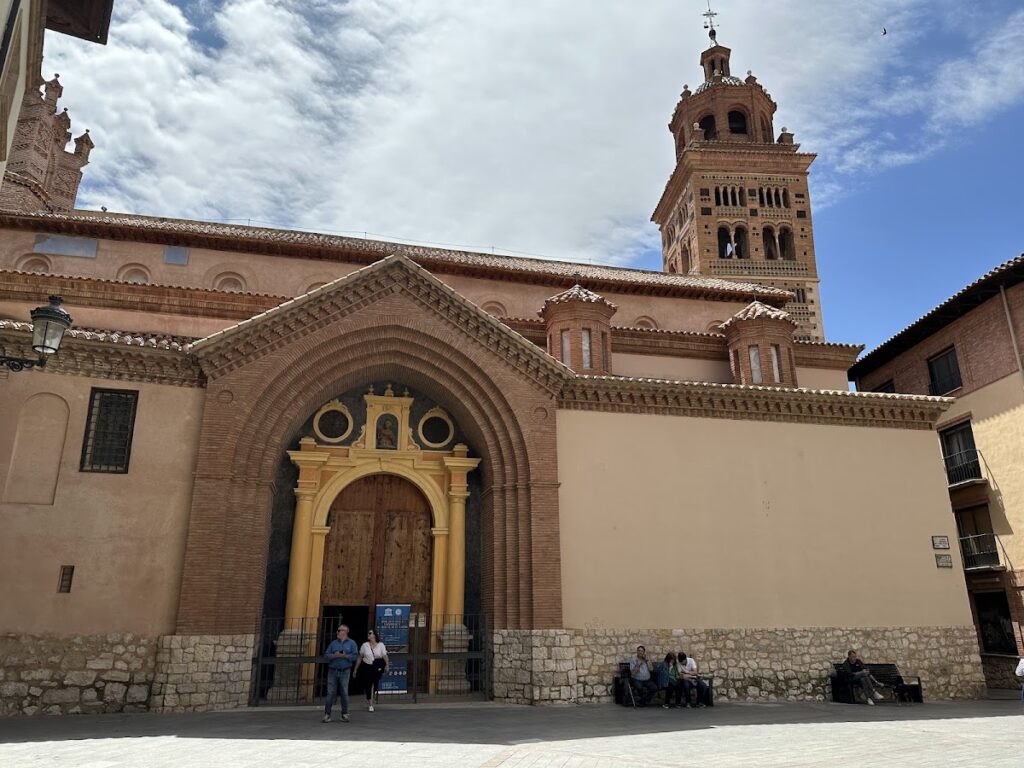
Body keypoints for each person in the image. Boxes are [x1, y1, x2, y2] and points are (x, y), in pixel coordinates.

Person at [322, 624, 358, 722]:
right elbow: (326, 655)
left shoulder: (352, 643)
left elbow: (355, 656)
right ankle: (327, 714)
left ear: (345, 632)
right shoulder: (333, 643)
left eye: (339, 630)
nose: (337, 632)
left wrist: (345, 656)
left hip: (345, 671)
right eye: (338, 630)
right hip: (332, 671)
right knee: (330, 693)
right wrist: (334, 655)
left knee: (344, 693)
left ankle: (345, 714)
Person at [355, 627, 389, 712]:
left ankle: (371, 698)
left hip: (377, 666)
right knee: (368, 684)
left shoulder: (380, 645)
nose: (368, 635)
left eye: (370, 633)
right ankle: (370, 703)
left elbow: (385, 656)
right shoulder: (365, 645)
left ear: (374, 635)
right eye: (368, 633)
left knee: (375, 683)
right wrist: (355, 669)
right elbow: (360, 657)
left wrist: (387, 665)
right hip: (367, 666)